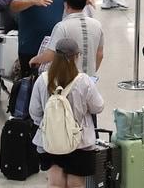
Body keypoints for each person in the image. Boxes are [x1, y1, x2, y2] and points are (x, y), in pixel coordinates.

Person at [28, 38, 105, 188]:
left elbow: (34, 112)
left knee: (55, 182)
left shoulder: (42, 80)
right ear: (76, 56)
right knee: (75, 183)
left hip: (50, 140)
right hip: (80, 141)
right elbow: (98, 107)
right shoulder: (84, 81)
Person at [30, 0, 103, 77]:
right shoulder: (97, 25)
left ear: (66, 5)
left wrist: (35, 60)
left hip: (69, 81)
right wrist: (91, 73)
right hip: (89, 81)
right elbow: (100, 54)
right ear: (84, 4)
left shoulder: (62, 27)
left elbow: (50, 55)